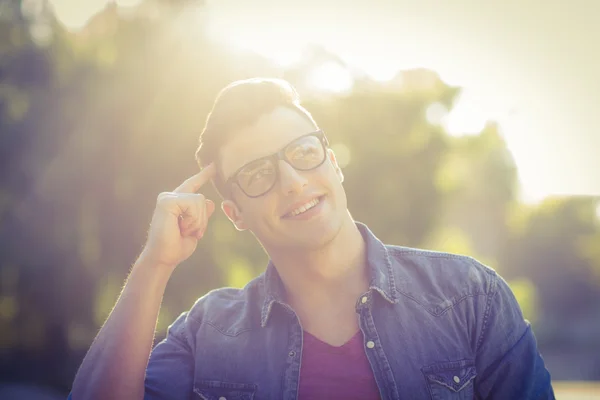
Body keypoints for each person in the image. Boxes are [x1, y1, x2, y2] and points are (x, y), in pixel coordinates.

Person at [69, 78, 555, 399]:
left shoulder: (471, 297)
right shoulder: (208, 334)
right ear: (235, 213)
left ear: (333, 162)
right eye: (259, 173)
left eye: (303, 152)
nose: (293, 182)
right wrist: (155, 262)